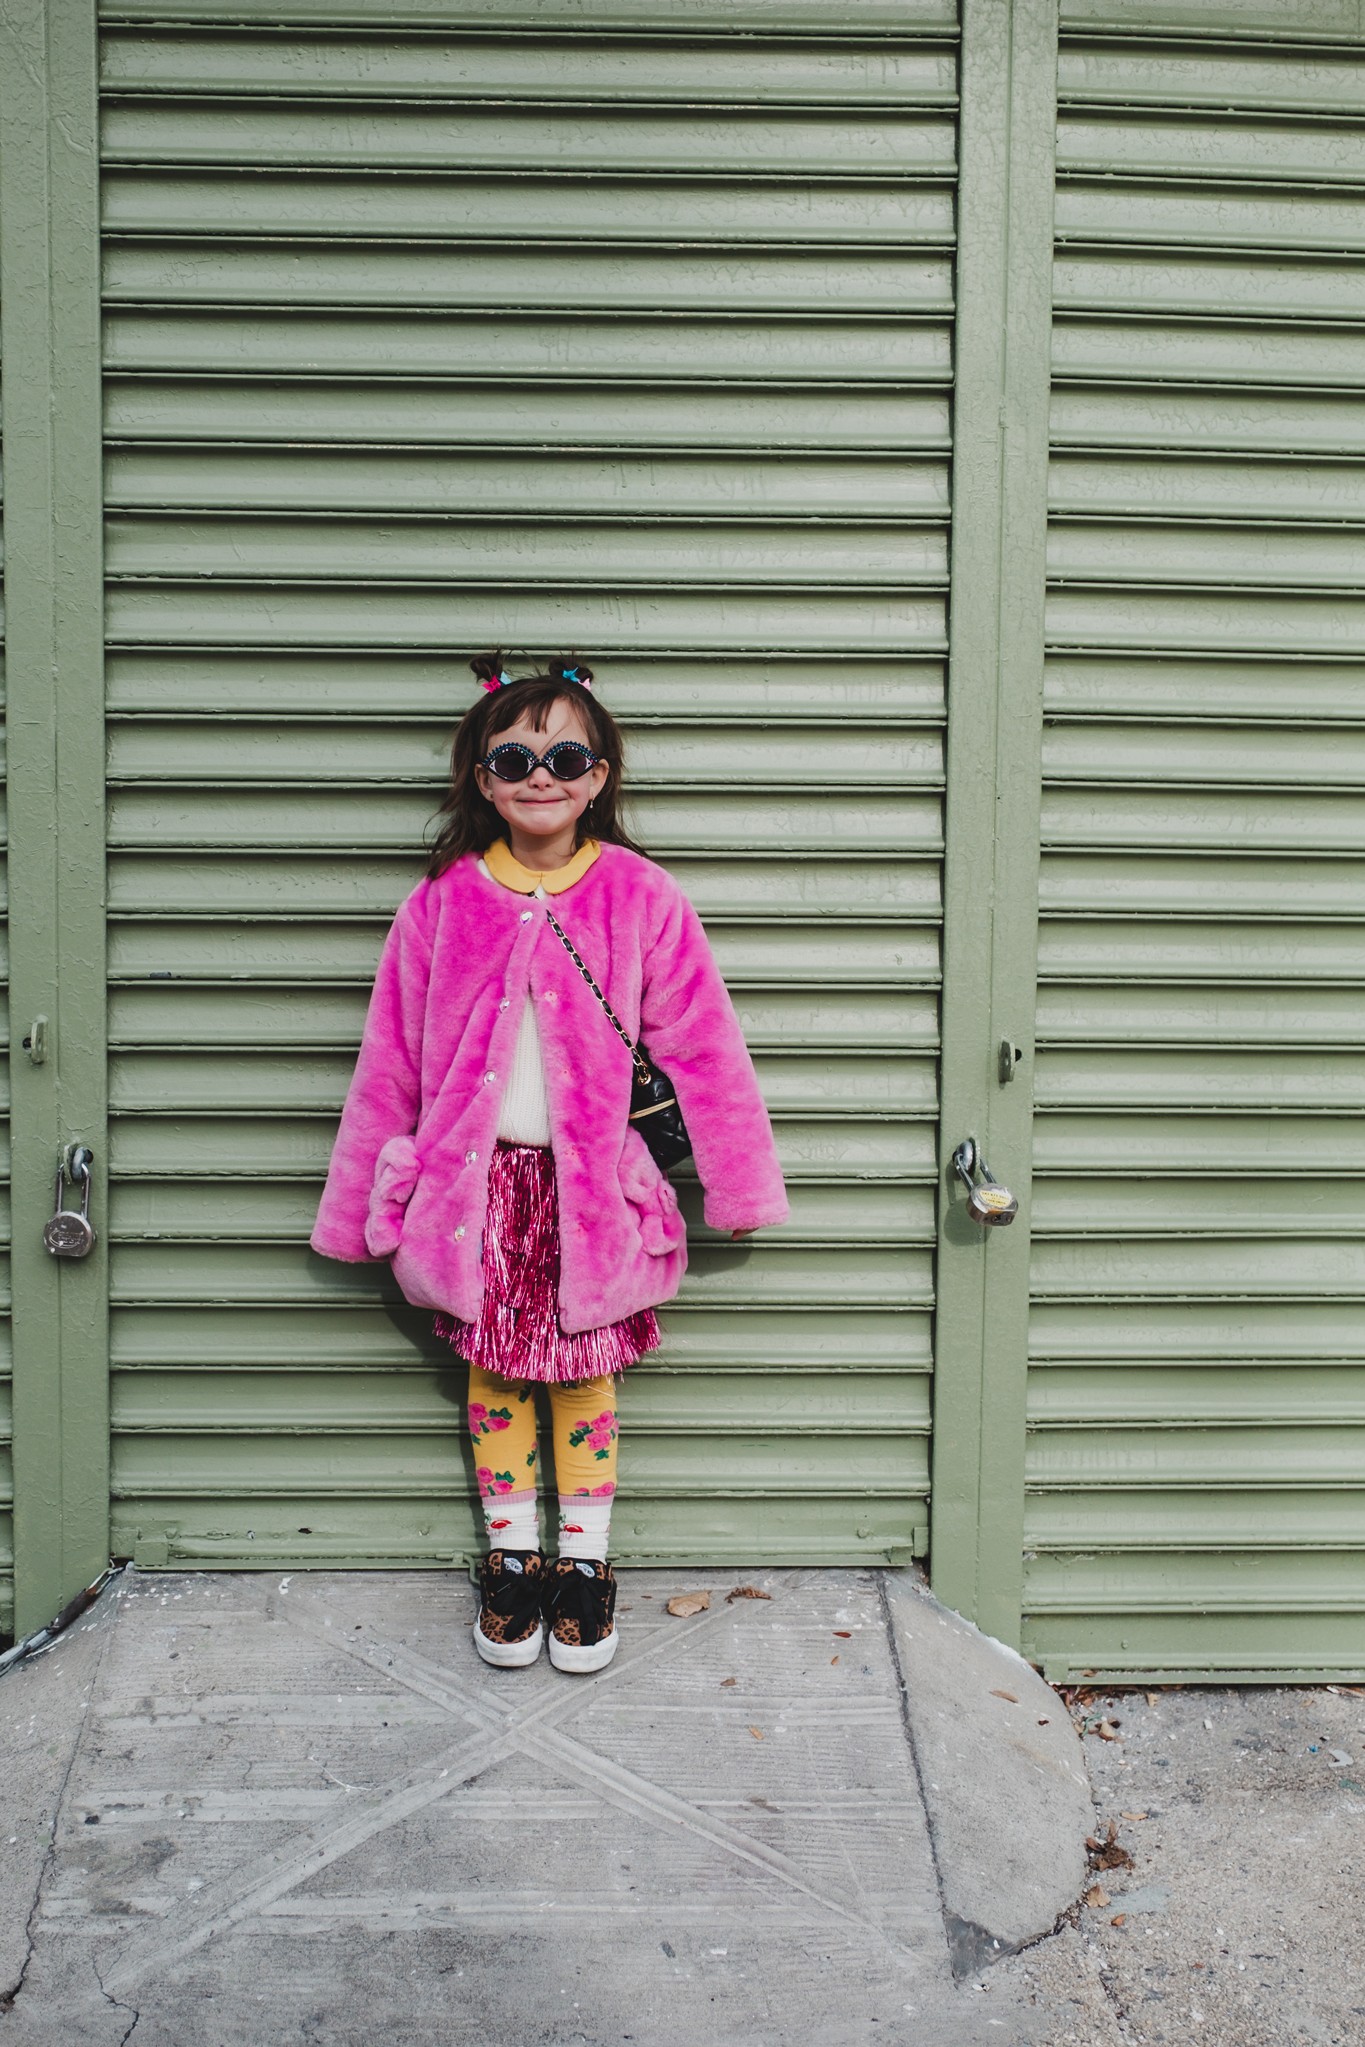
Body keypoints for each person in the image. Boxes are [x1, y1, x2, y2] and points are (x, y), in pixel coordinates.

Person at [310, 653, 788, 1674]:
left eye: (566, 753)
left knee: (584, 1380)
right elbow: (389, 1063)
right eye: (516, 755)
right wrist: (353, 1211)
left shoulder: (642, 898)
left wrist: (741, 1185)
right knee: (493, 1372)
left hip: (594, 1197)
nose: (542, 773)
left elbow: (705, 1048)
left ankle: (583, 1568)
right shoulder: (440, 904)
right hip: (472, 1195)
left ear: (600, 774)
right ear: (482, 775)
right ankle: (511, 1558)